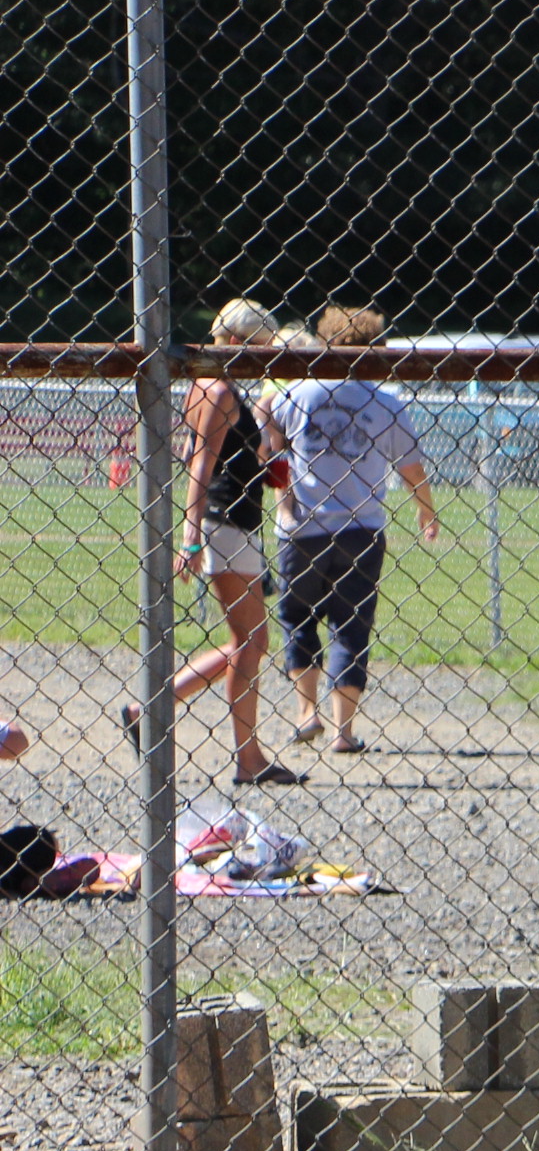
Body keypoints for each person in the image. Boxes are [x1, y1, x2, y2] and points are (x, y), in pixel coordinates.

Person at [129, 299, 301, 786]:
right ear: (234, 342)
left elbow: (208, 454)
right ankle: (247, 758)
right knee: (251, 641)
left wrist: (262, 465)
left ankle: (152, 709)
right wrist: (190, 536)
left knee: (247, 641)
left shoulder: (209, 384)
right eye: (258, 347)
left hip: (232, 520)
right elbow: (200, 463)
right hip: (225, 523)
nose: (263, 358)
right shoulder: (220, 389)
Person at [270, 304, 438, 754]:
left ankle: (307, 713)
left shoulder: (297, 394)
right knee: (351, 624)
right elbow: (411, 468)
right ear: (374, 350)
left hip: (302, 527)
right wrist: (426, 510)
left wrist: (283, 499)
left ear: (325, 343)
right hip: (361, 529)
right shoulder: (385, 402)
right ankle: (343, 732)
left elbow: (272, 447)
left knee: (298, 618)